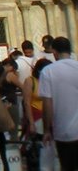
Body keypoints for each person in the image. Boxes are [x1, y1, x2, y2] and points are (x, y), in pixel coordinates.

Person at [41, 35, 78, 170]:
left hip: (64, 132)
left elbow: (47, 104)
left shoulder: (48, 71)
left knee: (67, 166)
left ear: (54, 52)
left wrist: (46, 130)